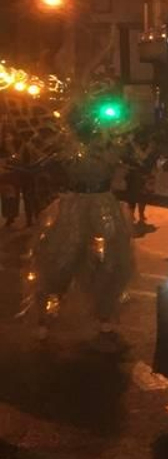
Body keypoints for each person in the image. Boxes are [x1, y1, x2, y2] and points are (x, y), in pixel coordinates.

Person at [28, 95, 135, 350]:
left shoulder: (110, 146)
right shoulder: (66, 147)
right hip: (74, 205)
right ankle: (45, 316)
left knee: (111, 259)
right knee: (61, 258)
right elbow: (43, 165)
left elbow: (127, 163)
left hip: (104, 205)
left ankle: (105, 315)